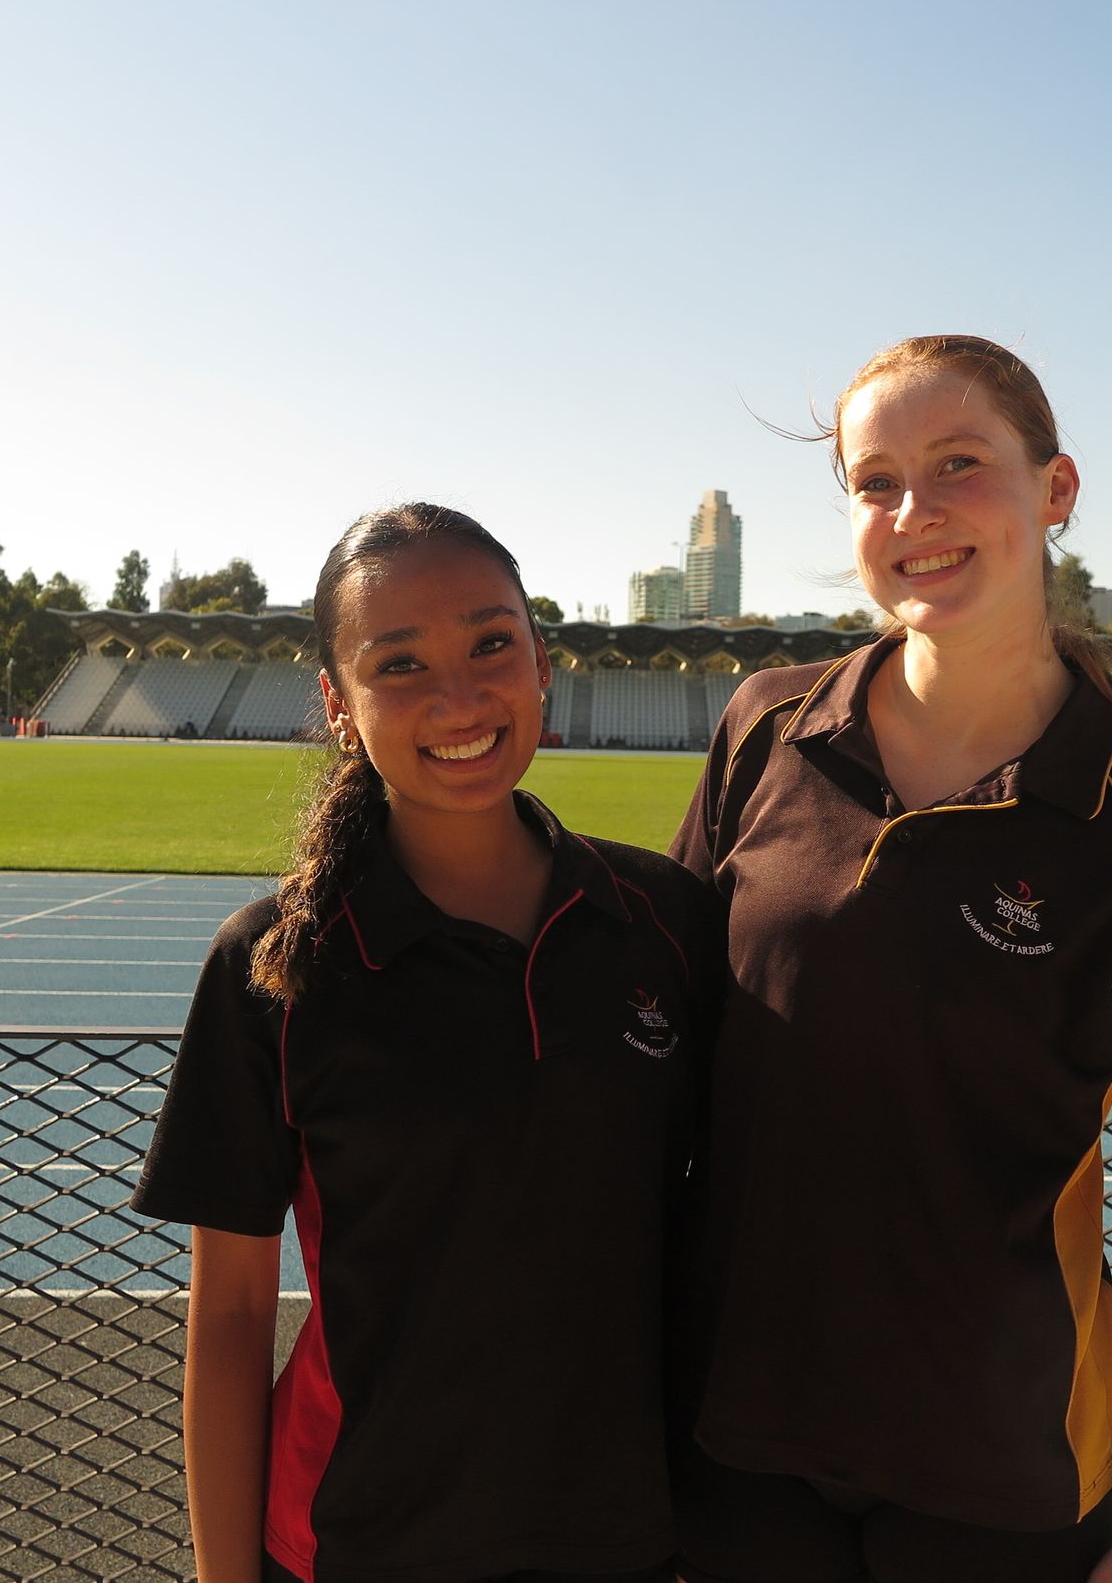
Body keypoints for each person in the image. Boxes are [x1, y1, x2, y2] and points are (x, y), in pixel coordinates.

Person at [669, 336, 1112, 1583]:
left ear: (1055, 489)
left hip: (1001, 1466)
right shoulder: (764, 726)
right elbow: (667, 1053)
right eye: (875, 481)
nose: (914, 512)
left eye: (959, 464)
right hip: (733, 1438)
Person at [132, 503, 720, 1583]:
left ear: (542, 662)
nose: (459, 697)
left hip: (631, 1540)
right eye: (398, 664)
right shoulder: (274, 966)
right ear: (338, 704)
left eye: (492, 643)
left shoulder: (666, 922)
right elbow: (230, 1317)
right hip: (355, 1545)